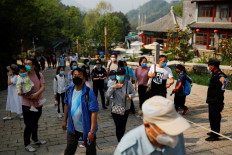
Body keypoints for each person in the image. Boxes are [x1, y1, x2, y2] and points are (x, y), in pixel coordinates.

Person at [114, 96, 190, 155]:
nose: (172, 133)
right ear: (147, 125)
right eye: (167, 128)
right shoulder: (127, 150)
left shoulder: (176, 133)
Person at [62, 68, 99, 155]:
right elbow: (66, 105)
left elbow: (94, 112)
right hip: (72, 128)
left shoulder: (89, 93)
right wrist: (64, 121)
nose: (76, 77)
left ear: (84, 78)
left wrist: (92, 131)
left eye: (79, 76)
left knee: (90, 151)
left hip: (87, 129)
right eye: (74, 75)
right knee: (69, 150)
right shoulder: (69, 90)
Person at [21, 59, 46, 152]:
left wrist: (36, 94)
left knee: (35, 123)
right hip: (27, 104)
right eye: (26, 64)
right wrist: (28, 95)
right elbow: (19, 90)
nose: (27, 65)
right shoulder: (23, 75)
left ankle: (35, 139)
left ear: (34, 65)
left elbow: (43, 87)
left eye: (29, 64)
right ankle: (27, 144)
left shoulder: (39, 75)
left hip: (38, 103)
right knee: (29, 125)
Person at [106, 68, 135, 142]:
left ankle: (121, 138)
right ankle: (120, 140)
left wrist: (130, 96)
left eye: (121, 74)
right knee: (118, 126)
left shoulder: (129, 84)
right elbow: (107, 95)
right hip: (116, 109)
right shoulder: (113, 83)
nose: (119, 76)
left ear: (124, 75)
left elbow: (133, 93)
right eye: (118, 74)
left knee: (123, 126)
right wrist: (113, 88)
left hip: (126, 108)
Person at [205, 59, 228, 141]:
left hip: (216, 100)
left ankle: (215, 135)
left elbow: (223, 80)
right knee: (211, 117)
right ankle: (213, 131)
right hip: (212, 99)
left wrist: (225, 82)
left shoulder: (220, 74)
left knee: (215, 117)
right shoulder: (214, 73)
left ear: (213, 66)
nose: (208, 67)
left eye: (209, 65)